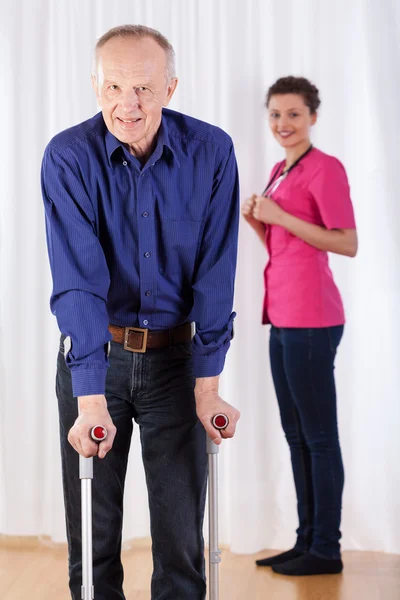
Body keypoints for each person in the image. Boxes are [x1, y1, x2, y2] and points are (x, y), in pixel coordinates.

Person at [41, 24, 240, 600]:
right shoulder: (69, 157)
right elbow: (78, 282)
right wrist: (90, 395)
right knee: (94, 539)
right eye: (114, 88)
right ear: (96, 86)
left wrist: (208, 387)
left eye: (145, 90)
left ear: (171, 88)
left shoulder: (211, 152)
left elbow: (216, 274)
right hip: (94, 358)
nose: (127, 105)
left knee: (181, 543)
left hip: (176, 364)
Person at [242, 76, 357, 576]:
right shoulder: (278, 170)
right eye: (274, 115)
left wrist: (280, 218)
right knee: (296, 435)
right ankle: (305, 540)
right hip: (283, 314)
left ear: (313, 115)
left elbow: (346, 242)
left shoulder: (325, 169)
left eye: (292, 114)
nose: (282, 124)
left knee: (319, 437)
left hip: (312, 318)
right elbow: (286, 250)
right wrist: (259, 221)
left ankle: (326, 550)